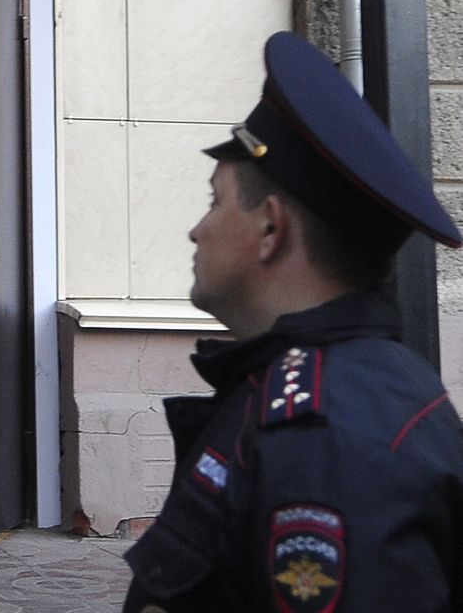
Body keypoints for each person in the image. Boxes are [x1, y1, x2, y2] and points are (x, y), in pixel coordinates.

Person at [122, 31, 463, 612]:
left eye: (215, 201)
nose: (196, 230)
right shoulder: (329, 390)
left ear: (271, 229)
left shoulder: (326, 444)